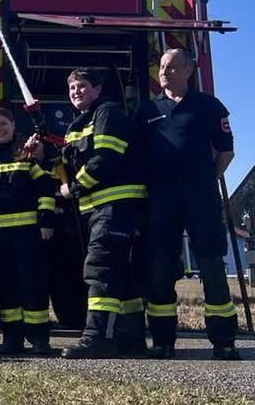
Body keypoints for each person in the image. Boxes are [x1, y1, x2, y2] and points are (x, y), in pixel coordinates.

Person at [135, 48, 239, 360]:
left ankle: (223, 342)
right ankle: (164, 341)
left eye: (172, 67)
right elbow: (137, 156)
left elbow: (226, 152)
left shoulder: (209, 107)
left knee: (211, 265)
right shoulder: (146, 110)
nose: (164, 72)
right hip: (161, 198)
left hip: (200, 197)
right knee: (160, 267)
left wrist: (206, 179)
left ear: (189, 70)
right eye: (161, 67)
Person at [60, 68, 146, 358]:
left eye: (82, 86)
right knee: (122, 272)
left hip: (116, 205)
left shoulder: (107, 113)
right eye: (72, 88)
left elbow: (106, 158)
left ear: (97, 89)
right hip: (98, 207)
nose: (76, 92)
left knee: (100, 267)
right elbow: (68, 162)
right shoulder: (76, 125)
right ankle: (132, 339)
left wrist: (74, 187)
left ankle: (98, 337)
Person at [0, 107, 55, 355]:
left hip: (27, 232)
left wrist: (46, 220)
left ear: (13, 125)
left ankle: (39, 339)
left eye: (3, 124)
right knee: (6, 287)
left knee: (31, 285)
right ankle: (12, 339)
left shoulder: (25, 153)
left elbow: (44, 188)